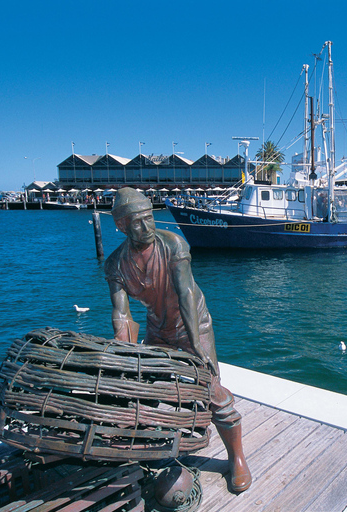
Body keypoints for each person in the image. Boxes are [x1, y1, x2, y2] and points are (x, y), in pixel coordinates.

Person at [104, 188, 252, 493]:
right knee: (144, 389)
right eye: (137, 223)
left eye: (149, 219)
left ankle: (236, 457)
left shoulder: (172, 244)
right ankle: (155, 447)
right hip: (158, 330)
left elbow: (185, 292)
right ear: (121, 225)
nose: (146, 227)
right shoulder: (116, 264)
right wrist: (125, 352)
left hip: (192, 326)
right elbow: (122, 314)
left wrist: (196, 345)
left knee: (212, 390)